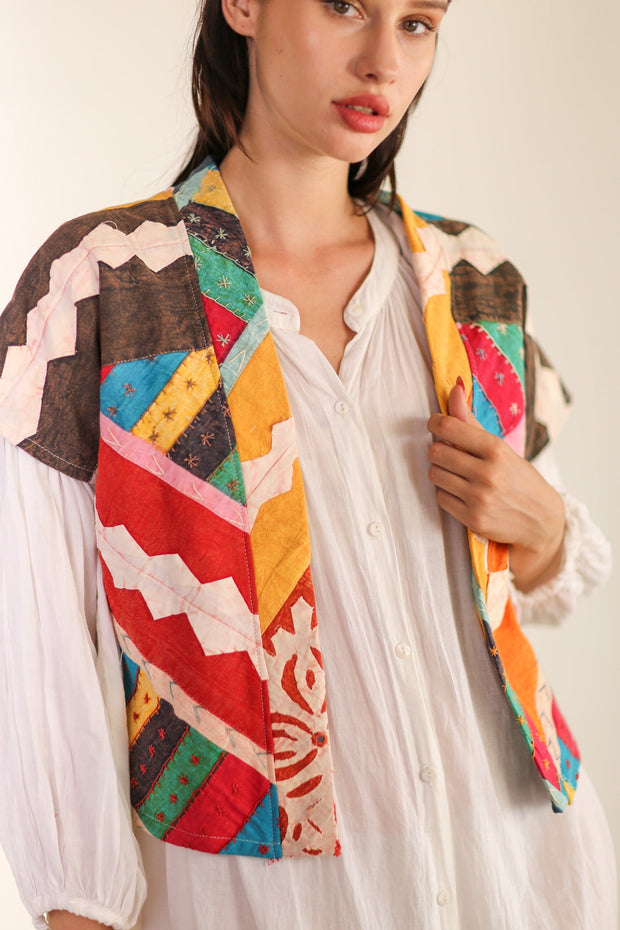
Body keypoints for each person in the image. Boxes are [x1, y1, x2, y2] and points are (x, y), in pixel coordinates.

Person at [0, 0, 616, 928]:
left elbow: (544, 582)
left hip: (513, 866)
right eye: (345, 5)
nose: (383, 61)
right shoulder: (106, 287)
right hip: (261, 896)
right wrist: (78, 903)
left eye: (418, 22)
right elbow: (38, 648)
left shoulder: (472, 280)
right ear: (243, 6)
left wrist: (548, 530)